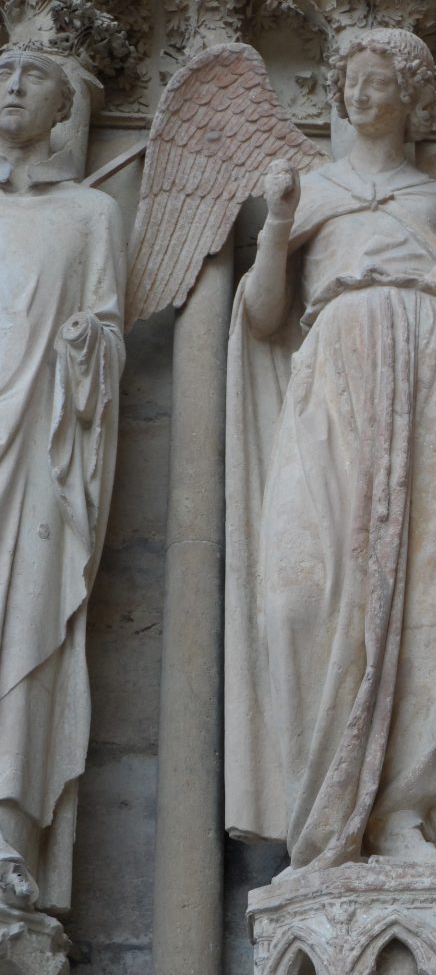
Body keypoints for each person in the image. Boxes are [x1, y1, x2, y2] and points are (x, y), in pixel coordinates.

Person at [225, 29, 436, 876]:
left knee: (433, 598)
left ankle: (405, 817)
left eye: (377, 82)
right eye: (348, 81)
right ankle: (321, 818)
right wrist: (277, 224)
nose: (359, 97)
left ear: (413, 99)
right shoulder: (311, 193)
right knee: (299, 595)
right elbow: (259, 318)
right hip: (333, 379)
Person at [0, 45, 125, 912]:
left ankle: (9, 842)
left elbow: (109, 330)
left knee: (25, 625)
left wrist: (89, 342)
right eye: (1, 71)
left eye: (32, 74)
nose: (10, 86)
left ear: (65, 109)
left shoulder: (90, 214)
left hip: (40, 445)